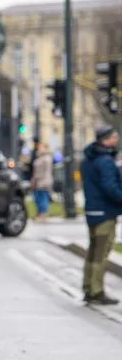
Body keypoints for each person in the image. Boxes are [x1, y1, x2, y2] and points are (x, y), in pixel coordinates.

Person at [80, 125, 122, 305]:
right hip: (105, 211)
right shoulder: (105, 161)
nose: (117, 139)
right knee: (101, 253)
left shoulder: (88, 159)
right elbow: (109, 187)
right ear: (106, 139)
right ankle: (97, 291)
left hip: (92, 210)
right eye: (114, 137)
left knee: (92, 251)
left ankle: (88, 287)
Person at [30, 140, 54, 221]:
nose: (39, 149)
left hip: (44, 181)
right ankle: (40, 213)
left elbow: (45, 171)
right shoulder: (39, 157)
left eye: (41, 147)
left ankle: (43, 214)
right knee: (37, 198)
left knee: (43, 198)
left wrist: (37, 179)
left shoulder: (47, 158)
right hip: (38, 181)